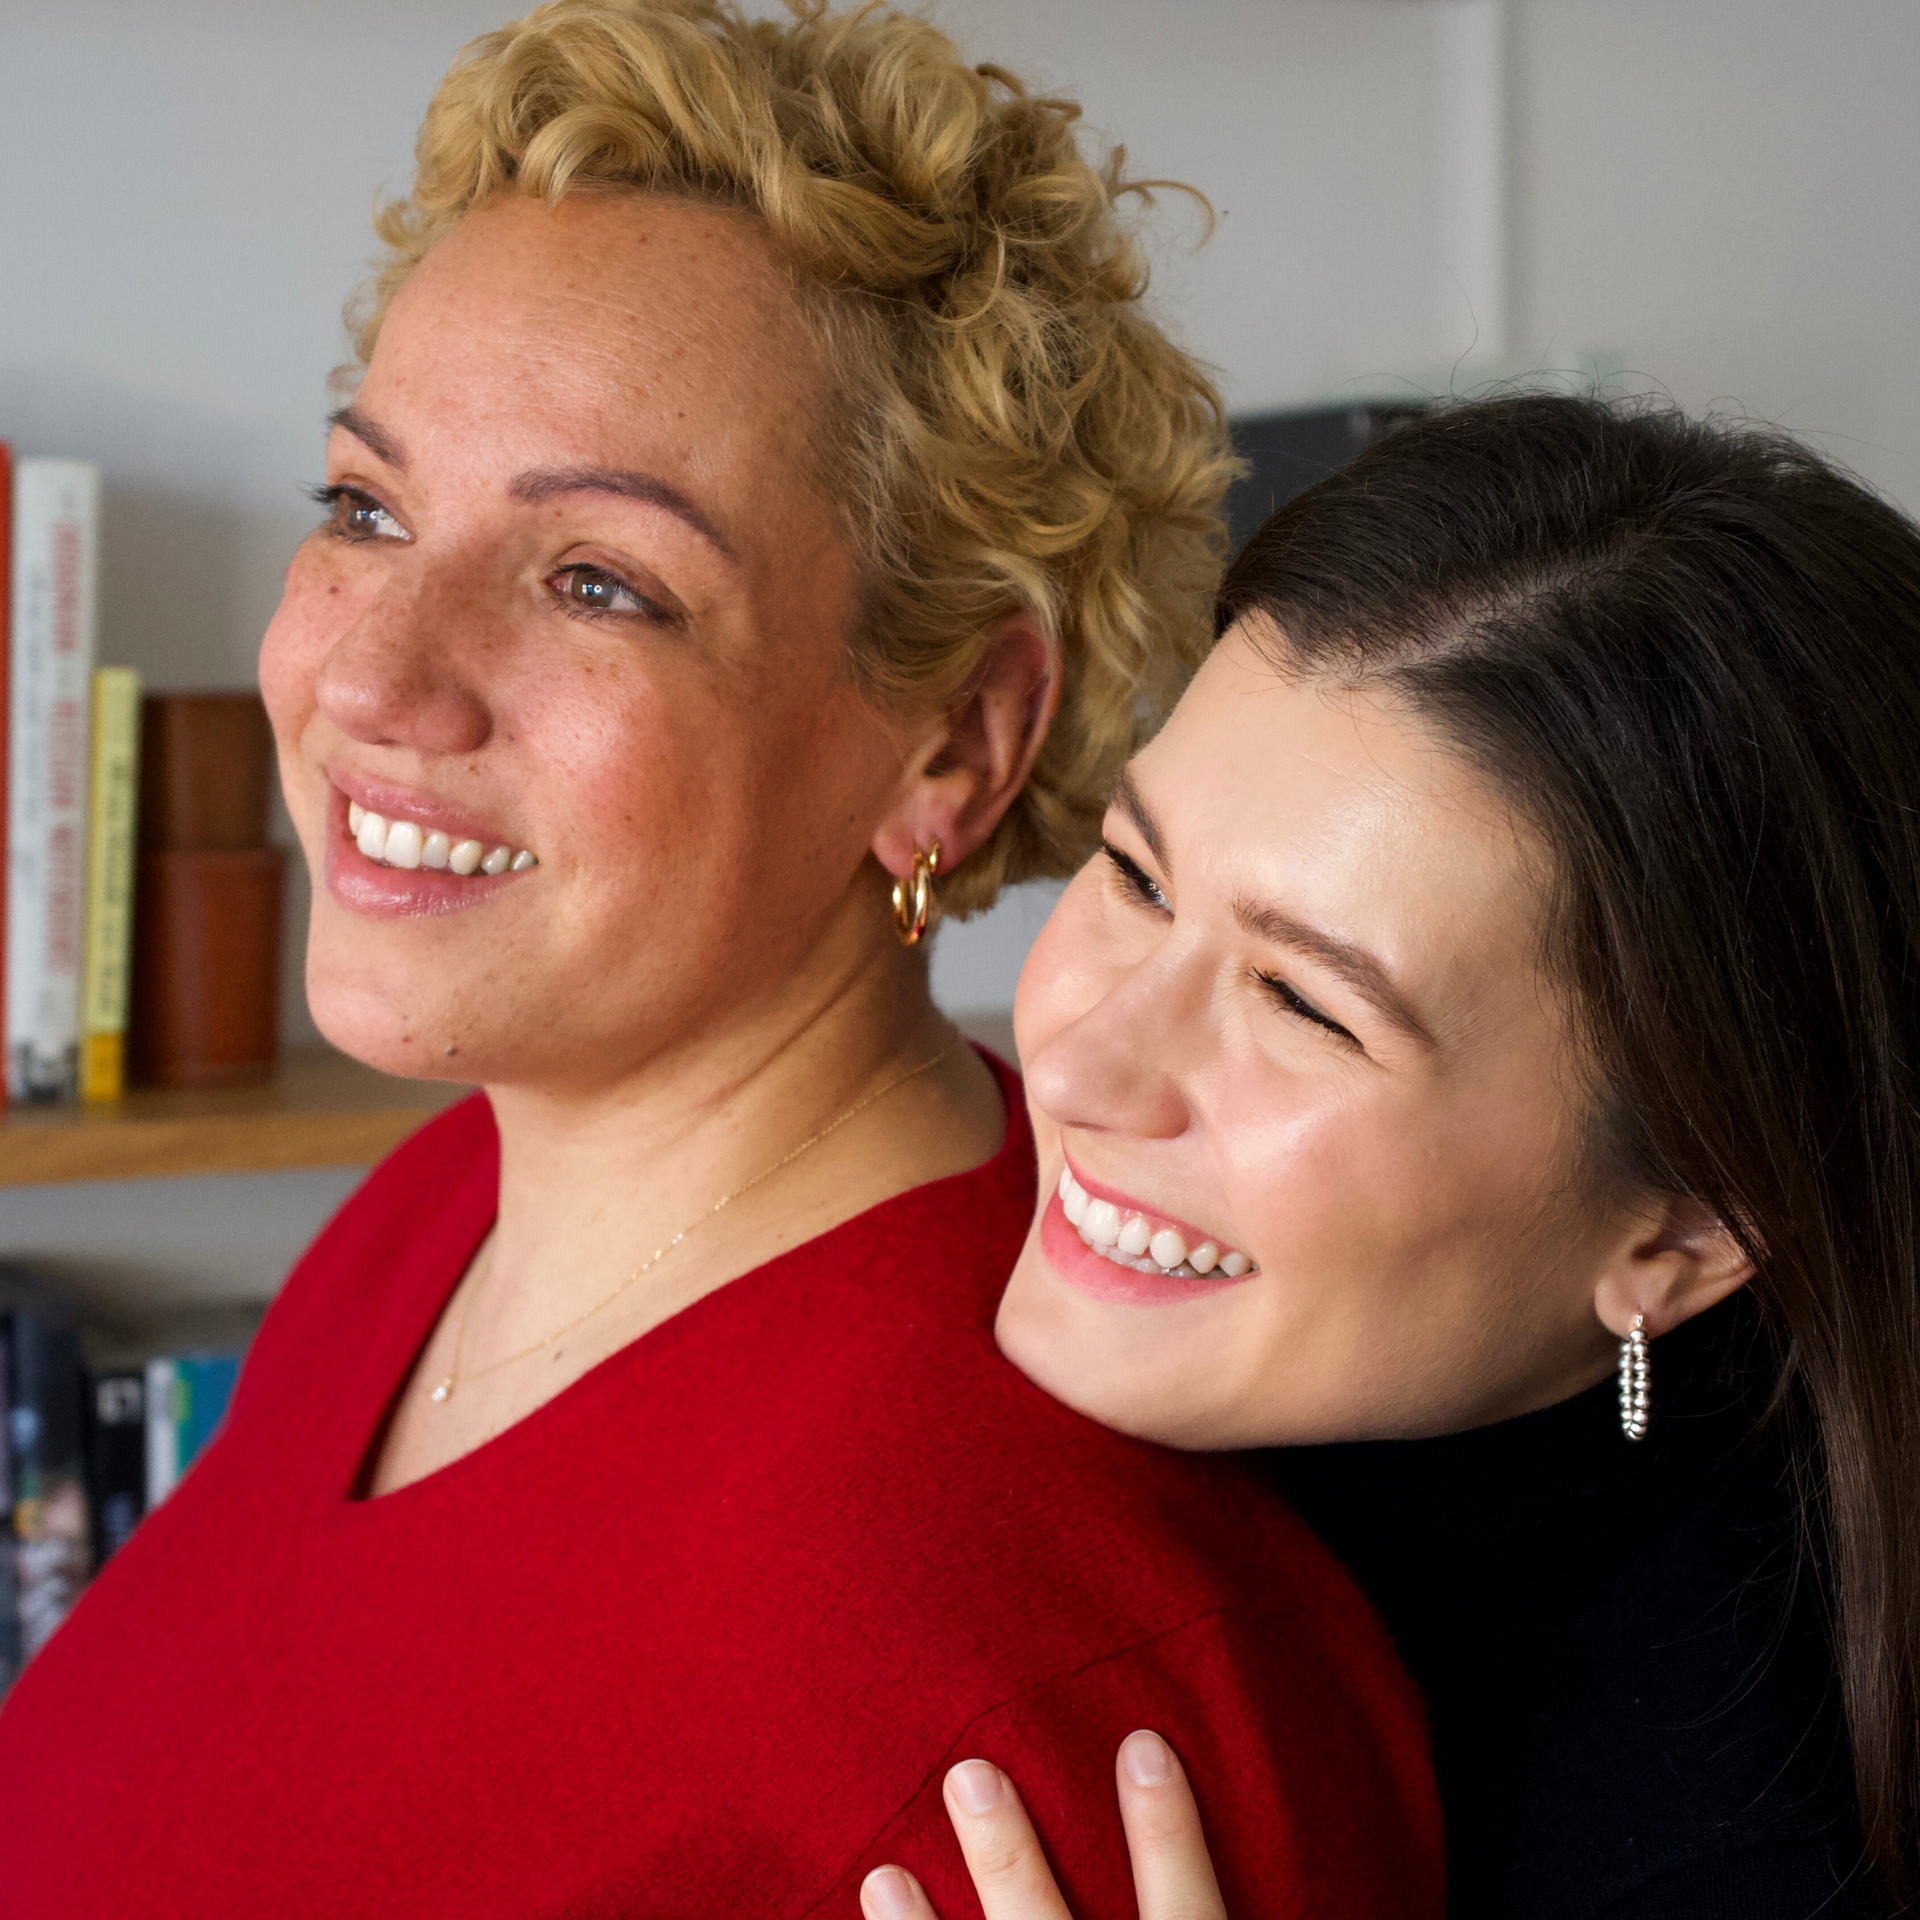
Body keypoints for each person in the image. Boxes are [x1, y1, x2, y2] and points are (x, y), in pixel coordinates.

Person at [0, 4, 1445, 1916]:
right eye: (366, 508)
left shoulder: (1057, 1715)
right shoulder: (437, 1216)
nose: (371, 677)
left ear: (953, 743)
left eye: (597, 580)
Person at [860, 394, 1920, 1920]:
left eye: (1302, 1004)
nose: (1080, 1067)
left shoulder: (1740, 1857)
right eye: (1137, 877)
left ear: (1684, 1231)